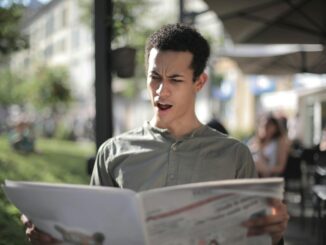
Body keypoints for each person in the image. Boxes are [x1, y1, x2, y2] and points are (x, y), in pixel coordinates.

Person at [23, 23, 288, 245]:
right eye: (155, 77)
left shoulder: (234, 155)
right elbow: (95, 236)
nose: (161, 91)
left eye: (175, 79)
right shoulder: (112, 152)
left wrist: (274, 236)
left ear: (199, 82)